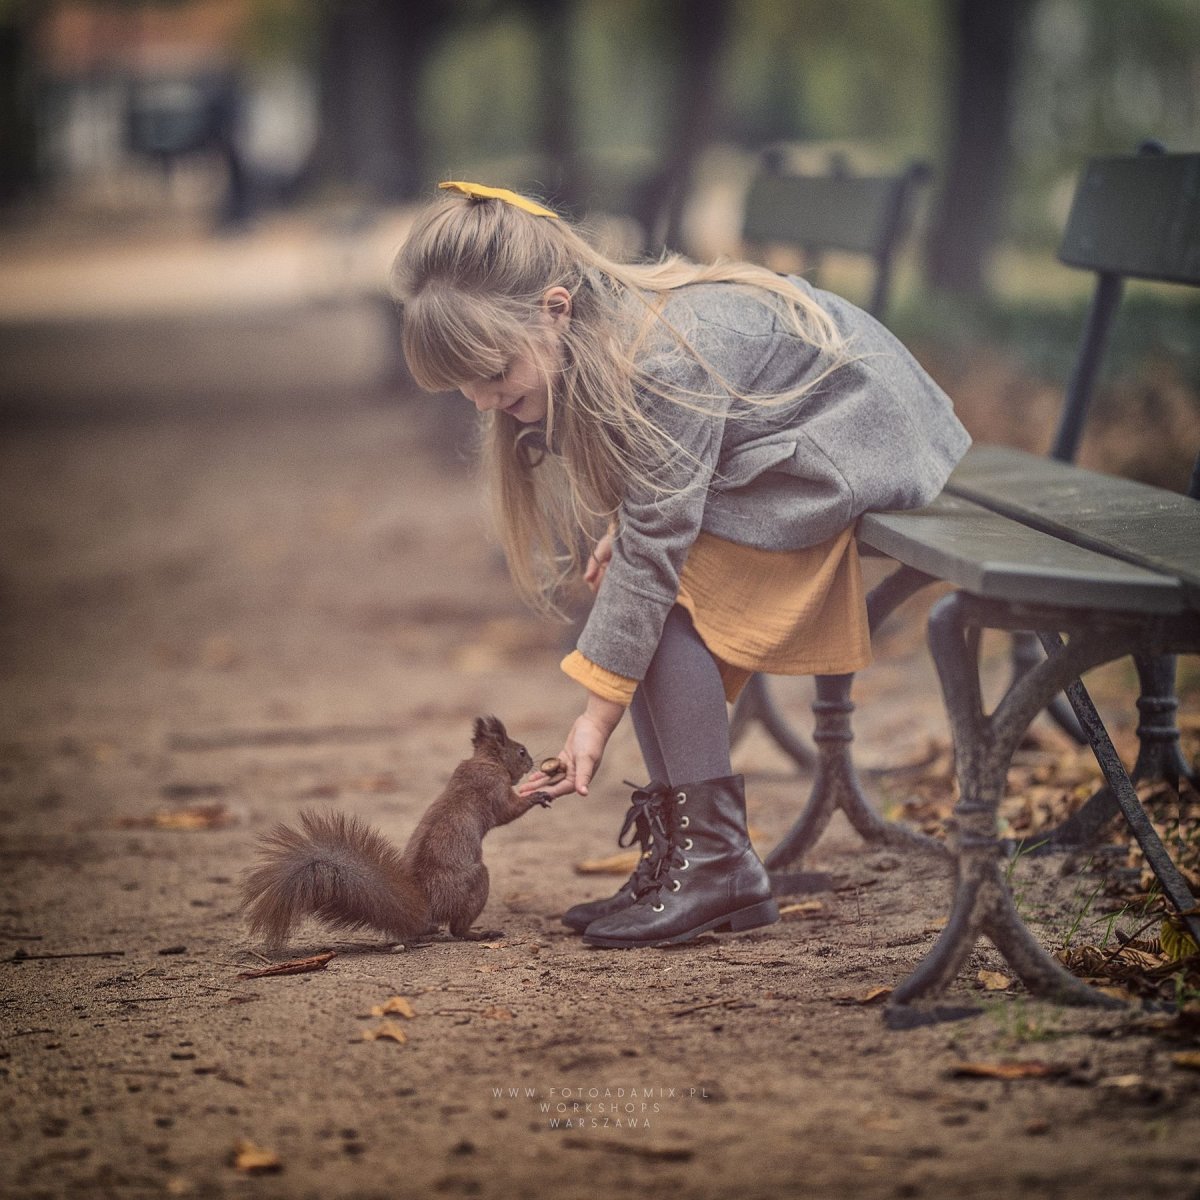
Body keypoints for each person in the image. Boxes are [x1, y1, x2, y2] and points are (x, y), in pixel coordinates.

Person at [391, 180, 971, 949]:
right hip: (796, 440)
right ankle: (685, 852)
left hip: (857, 445)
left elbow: (660, 537)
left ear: (554, 310)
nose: (482, 401)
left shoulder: (659, 359)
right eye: (465, 387)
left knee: (663, 590)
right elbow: (658, 496)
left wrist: (595, 718)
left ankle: (717, 861)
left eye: (494, 375)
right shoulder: (602, 340)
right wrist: (630, 532)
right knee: (637, 579)